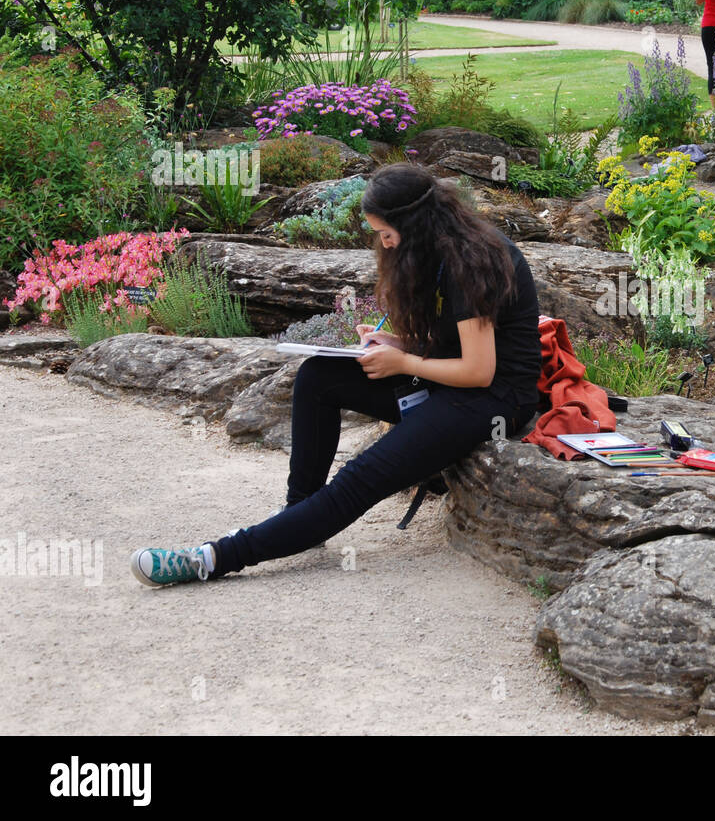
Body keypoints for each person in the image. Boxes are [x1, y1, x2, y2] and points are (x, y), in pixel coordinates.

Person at [130, 165, 542, 586]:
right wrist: (398, 343)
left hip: (492, 398)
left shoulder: (472, 259)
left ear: (414, 222)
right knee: (318, 377)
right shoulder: (435, 248)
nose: (383, 243)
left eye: (386, 233)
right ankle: (300, 516)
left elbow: (479, 369)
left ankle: (212, 558)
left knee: (359, 477)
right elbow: (452, 341)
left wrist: (405, 364)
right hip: (447, 379)